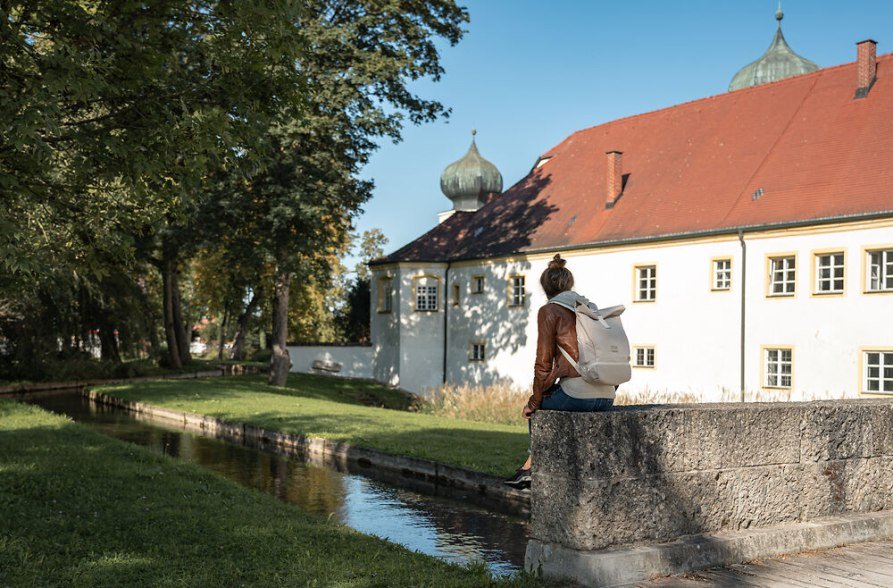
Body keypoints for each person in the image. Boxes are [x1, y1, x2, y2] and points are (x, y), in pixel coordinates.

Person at [504, 254, 615, 489]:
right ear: (569, 284)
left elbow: (542, 364)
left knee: (540, 408)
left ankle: (530, 467)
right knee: (553, 396)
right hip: (607, 397)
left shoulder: (550, 311)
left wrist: (533, 403)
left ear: (545, 287)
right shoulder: (591, 309)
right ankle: (529, 468)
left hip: (577, 396)